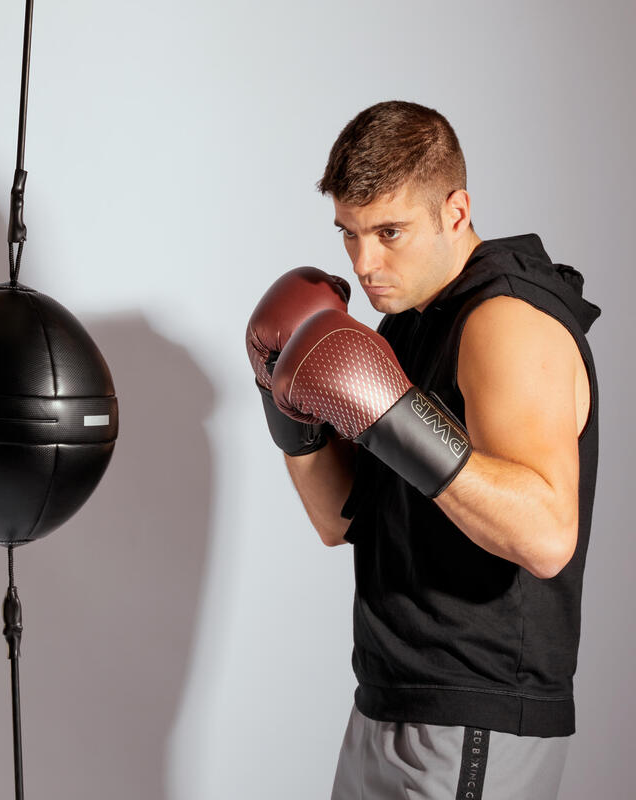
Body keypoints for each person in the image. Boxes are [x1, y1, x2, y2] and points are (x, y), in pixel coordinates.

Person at [246, 100, 600, 799]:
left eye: (390, 232)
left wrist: (397, 415)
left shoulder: (508, 320)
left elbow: (548, 533)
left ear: (456, 210)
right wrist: (282, 401)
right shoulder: (407, 323)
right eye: (349, 234)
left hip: (475, 717)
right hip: (386, 698)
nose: (365, 263)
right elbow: (336, 522)